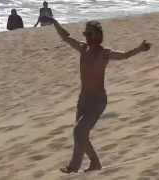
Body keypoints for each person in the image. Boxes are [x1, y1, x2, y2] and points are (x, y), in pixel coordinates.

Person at [45, 17, 151, 173]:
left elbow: (124, 55)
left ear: (98, 36)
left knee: (79, 131)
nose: (87, 37)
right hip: (83, 99)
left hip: (97, 101)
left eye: (90, 34)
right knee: (80, 134)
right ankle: (74, 167)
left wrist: (140, 49)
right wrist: (54, 22)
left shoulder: (104, 53)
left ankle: (95, 162)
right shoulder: (83, 48)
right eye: (85, 34)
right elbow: (65, 37)